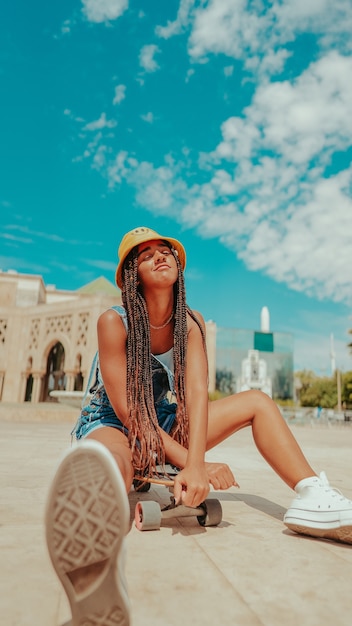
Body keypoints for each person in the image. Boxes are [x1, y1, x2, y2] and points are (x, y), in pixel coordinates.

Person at [45, 226, 352, 626]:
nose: (160, 256)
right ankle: (97, 567)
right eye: (146, 253)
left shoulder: (191, 324)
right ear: (131, 274)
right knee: (111, 460)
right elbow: (131, 416)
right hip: (115, 422)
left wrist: (192, 460)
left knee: (257, 402)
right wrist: (193, 466)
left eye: (166, 250)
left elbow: (196, 397)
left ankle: (313, 495)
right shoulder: (113, 322)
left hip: (168, 422)